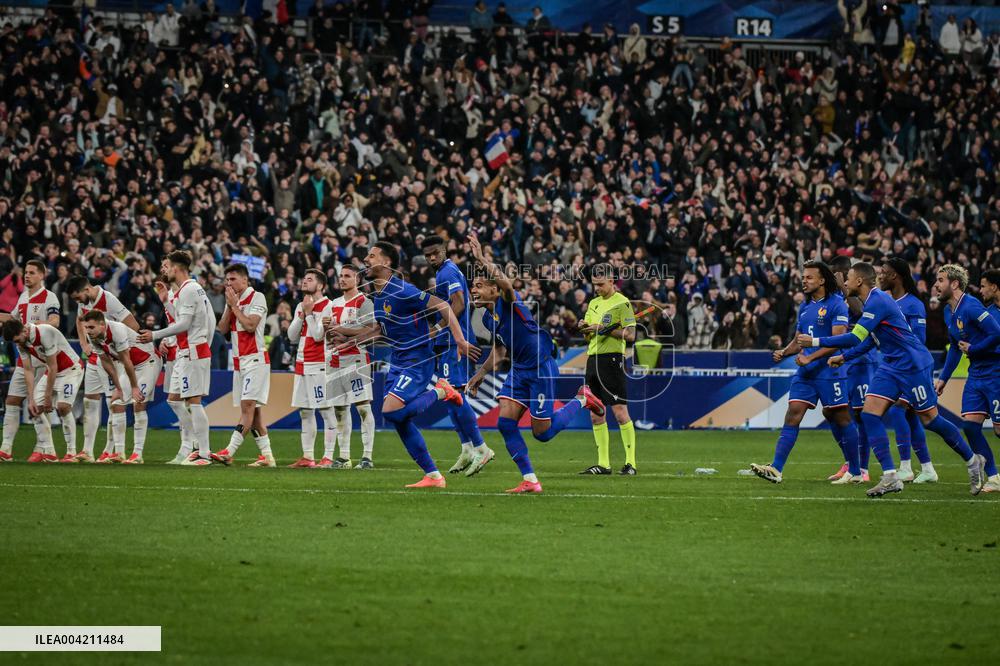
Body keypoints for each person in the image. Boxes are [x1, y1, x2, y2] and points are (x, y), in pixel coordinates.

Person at [801, 263, 985, 497]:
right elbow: (869, 341)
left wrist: (815, 342)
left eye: (848, 278)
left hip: (913, 365)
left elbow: (856, 335)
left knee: (931, 420)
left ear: (859, 282)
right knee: (869, 414)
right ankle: (890, 476)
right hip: (891, 366)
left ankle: (972, 460)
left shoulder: (878, 301)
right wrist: (844, 357)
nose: (844, 283)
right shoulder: (873, 303)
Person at [334, 241, 480, 489]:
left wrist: (460, 340)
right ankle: (433, 475)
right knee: (398, 419)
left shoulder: (403, 290)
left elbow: (444, 305)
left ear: (387, 262)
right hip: (398, 360)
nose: (366, 260)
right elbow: (381, 331)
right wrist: (350, 340)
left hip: (417, 359)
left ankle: (442, 390)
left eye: (372, 256)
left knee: (390, 411)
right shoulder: (379, 295)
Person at [466, 234, 605, 493]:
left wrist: (481, 259)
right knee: (505, 424)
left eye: (479, 285)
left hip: (540, 367)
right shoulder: (487, 319)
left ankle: (582, 399)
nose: (473, 289)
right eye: (472, 285)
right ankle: (530, 480)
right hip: (519, 371)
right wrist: (480, 374)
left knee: (542, 433)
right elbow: (499, 350)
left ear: (494, 289)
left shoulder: (509, 301)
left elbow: (507, 284)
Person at [751, 261, 863, 485]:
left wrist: (811, 357)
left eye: (809, 277)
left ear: (822, 280)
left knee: (841, 418)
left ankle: (856, 471)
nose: (804, 280)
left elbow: (838, 341)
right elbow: (799, 339)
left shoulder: (837, 305)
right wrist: (785, 352)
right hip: (806, 372)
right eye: (804, 277)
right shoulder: (805, 306)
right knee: (793, 413)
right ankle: (776, 468)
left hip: (830, 371)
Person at [421, 235, 493, 477]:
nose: (432, 257)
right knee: (449, 396)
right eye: (428, 254)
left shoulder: (447, 273)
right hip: (450, 342)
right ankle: (467, 448)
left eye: (435, 252)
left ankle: (481, 448)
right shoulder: (446, 271)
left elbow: (459, 304)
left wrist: (439, 328)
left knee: (455, 394)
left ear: (444, 249)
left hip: (456, 342)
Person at [138, 250, 217, 466]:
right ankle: (192, 444)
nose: (165, 270)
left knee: (194, 402)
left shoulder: (190, 289)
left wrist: (154, 335)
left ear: (178, 268)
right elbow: (190, 319)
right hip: (186, 351)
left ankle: (204, 453)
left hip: (193, 351)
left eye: (168, 266)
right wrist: (165, 301)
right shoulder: (187, 290)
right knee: (174, 400)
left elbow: (184, 324)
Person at [932, 265, 1000, 494]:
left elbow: (996, 333)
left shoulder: (971, 306)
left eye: (940, 280)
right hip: (976, 374)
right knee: (970, 427)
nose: (936, 285)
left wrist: (975, 348)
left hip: (995, 373)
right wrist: (944, 379)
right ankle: (994, 476)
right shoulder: (949, 312)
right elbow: (954, 349)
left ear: (954, 284)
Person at [67, 276, 139, 463]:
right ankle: (87, 451)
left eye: (78, 298)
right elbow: (79, 320)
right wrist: (83, 343)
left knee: (112, 402)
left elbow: (133, 324)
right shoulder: (84, 302)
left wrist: (120, 348)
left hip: (110, 358)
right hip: (94, 355)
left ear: (87, 289)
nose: (78, 302)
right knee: (90, 400)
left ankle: (109, 450)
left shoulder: (108, 300)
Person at [210, 263, 275, 467]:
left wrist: (235, 306)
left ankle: (229, 451)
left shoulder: (257, 297)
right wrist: (231, 306)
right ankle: (267, 457)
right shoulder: (232, 301)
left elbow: (250, 325)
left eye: (233, 279)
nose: (229, 283)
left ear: (245, 280)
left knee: (247, 406)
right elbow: (221, 329)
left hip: (255, 359)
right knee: (254, 414)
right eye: (227, 280)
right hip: (239, 363)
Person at [577, 264, 637, 475]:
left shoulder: (623, 303)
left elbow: (630, 335)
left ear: (612, 281)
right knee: (595, 413)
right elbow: (589, 335)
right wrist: (585, 328)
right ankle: (604, 464)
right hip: (592, 359)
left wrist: (601, 329)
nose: (597, 289)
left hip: (612, 360)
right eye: (594, 285)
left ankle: (631, 463)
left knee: (619, 411)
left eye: (601, 284)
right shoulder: (593, 303)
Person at [879, 258, 935, 483]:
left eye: (884, 272)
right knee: (912, 417)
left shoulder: (913, 304)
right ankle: (928, 469)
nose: (880, 275)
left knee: (898, 410)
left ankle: (905, 466)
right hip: (896, 367)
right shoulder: (887, 302)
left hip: (912, 367)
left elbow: (919, 339)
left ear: (896, 276)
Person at [0, 260, 61, 462]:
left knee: (36, 405)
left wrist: (32, 325)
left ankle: (44, 447)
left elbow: (55, 322)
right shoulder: (24, 296)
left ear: (42, 275)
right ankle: (6, 449)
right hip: (24, 356)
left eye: (32, 273)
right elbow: (13, 318)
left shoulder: (48, 297)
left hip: (41, 358)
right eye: (26, 272)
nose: (27, 276)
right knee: (12, 400)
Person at [80, 311, 161, 464]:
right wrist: (118, 387)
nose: (88, 331)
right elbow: (106, 362)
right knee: (116, 404)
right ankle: (119, 452)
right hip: (131, 365)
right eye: (86, 328)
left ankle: (137, 455)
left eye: (91, 327)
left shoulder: (117, 330)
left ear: (102, 325)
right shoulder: (93, 337)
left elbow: (126, 359)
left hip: (148, 362)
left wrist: (134, 387)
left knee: (138, 403)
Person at [1, 319, 83, 463]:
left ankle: (71, 453)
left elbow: (53, 367)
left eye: (17, 339)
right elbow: (28, 370)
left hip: (71, 370)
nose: (17, 343)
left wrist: (47, 397)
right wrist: (31, 398)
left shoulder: (45, 332)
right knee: (34, 409)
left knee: (63, 407)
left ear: (24, 331)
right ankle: (49, 452)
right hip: (52, 371)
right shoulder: (21, 342)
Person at [825, 256, 874, 482]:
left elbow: (863, 314)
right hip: (843, 357)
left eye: (836, 274)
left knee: (860, 414)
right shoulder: (836, 296)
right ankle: (850, 461)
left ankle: (862, 469)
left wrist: (844, 291)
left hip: (863, 357)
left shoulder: (860, 295)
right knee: (832, 411)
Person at [323, 265, 376, 469]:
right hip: (334, 359)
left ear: (358, 279)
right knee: (339, 409)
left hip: (356, 359)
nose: (342, 279)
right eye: (340, 276)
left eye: (347, 276)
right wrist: (328, 329)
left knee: (362, 407)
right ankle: (344, 457)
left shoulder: (364, 301)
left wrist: (341, 330)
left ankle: (367, 457)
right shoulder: (333, 303)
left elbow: (371, 328)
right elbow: (328, 336)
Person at [285, 269, 338, 468]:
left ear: (321, 285)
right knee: (305, 411)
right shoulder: (301, 304)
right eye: (304, 278)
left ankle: (328, 456)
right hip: (301, 364)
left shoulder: (328, 306)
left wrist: (308, 314)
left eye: (310, 279)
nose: (304, 282)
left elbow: (317, 336)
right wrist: (302, 314)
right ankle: (308, 457)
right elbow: (291, 336)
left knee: (325, 410)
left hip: (319, 364)